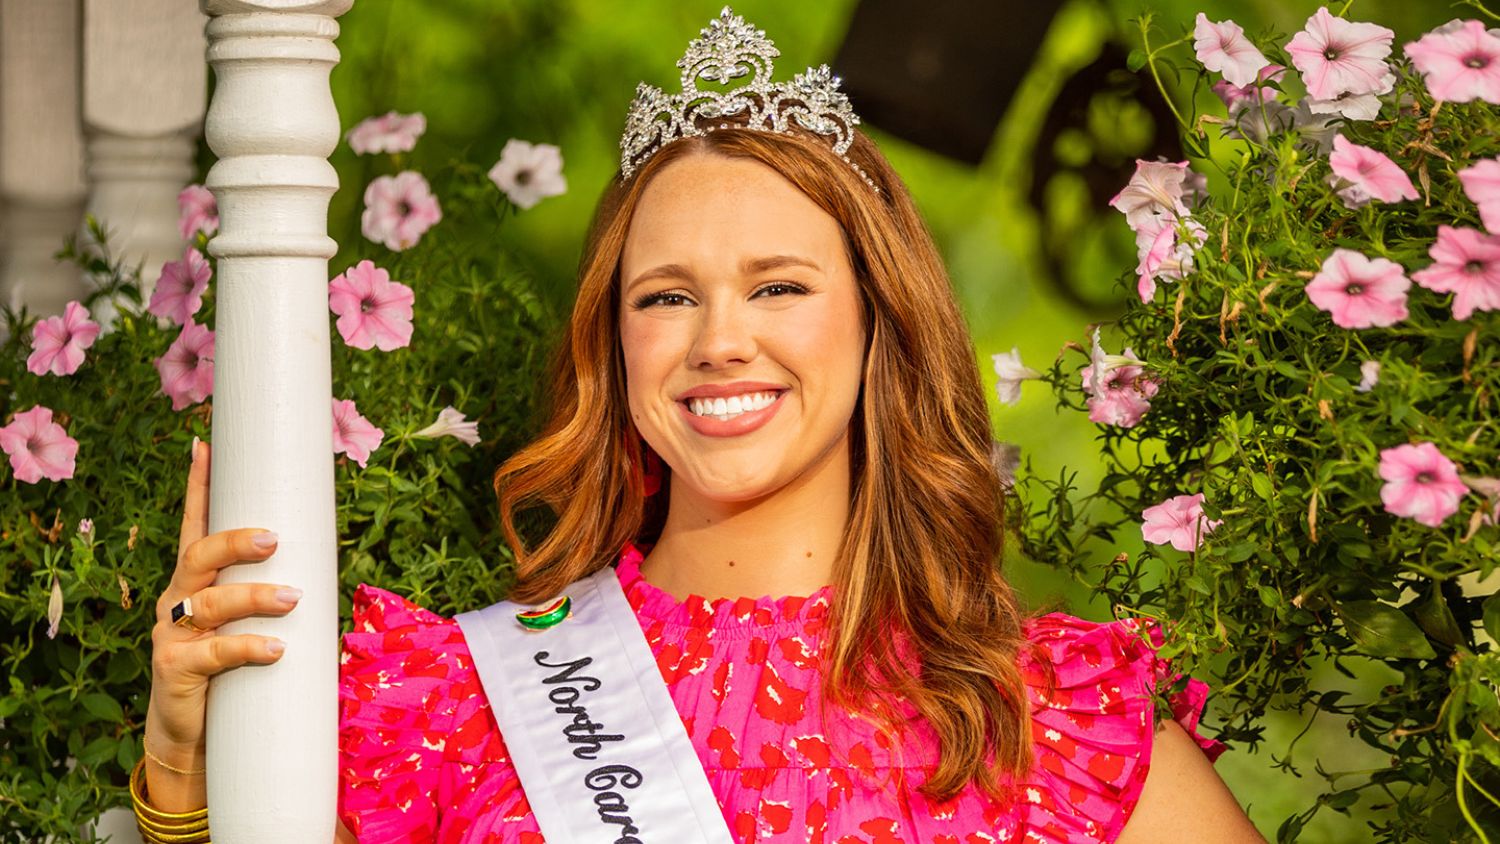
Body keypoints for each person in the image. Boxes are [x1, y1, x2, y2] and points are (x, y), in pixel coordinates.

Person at [136, 8, 1266, 843]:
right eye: (666, 296)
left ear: (883, 327)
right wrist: (185, 768)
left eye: (778, 287)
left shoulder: (1039, 721)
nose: (719, 341)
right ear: (614, 344)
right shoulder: (456, 700)